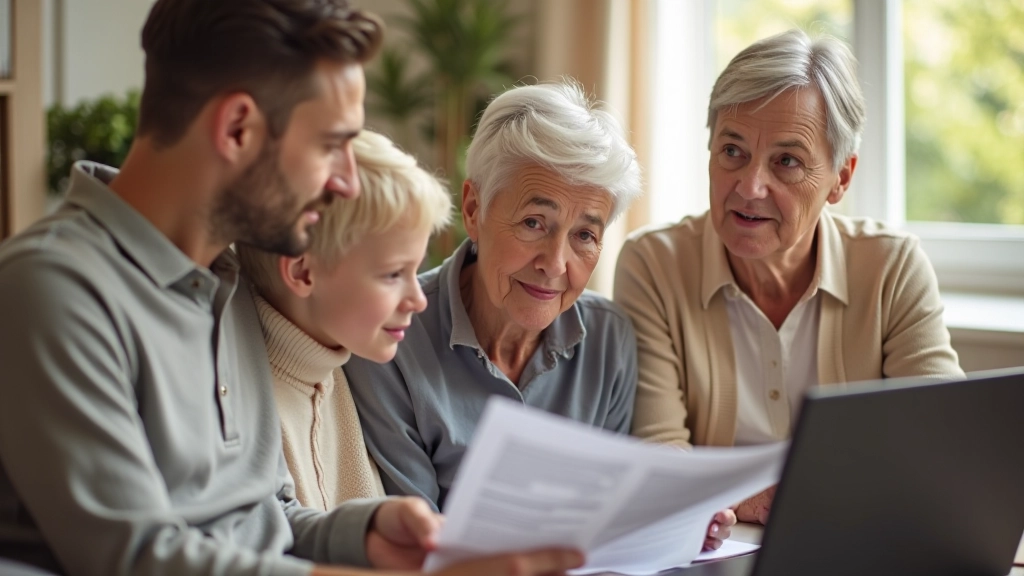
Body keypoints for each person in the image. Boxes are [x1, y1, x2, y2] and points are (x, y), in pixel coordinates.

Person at [0, 1, 583, 575]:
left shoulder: (225, 287)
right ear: (238, 128)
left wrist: (367, 533)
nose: (344, 180)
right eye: (332, 144)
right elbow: (134, 559)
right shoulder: (53, 290)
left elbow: (261, 520)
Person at [344, 81, 735, 552]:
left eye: (584, 235)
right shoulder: (391, 338)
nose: (556, 263)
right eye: (534, 223)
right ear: (474, 209)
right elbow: (416, 547)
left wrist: (676, 522)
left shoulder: (609, 340)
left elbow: (608, 521)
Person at [614, 29, 964, 525]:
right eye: (732, 150)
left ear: (841, 177)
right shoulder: (653, 263)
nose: (750, 186)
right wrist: (752, 504)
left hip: (856, 542)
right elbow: (658, 452)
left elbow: (943, 450)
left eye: (787, 161)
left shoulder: (892, 267)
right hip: (713, 551)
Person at [235, 129, 452, 511]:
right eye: (392, 274)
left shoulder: (340, 365)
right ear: (303, 273)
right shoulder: (243, 407)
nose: (418, 300)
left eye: (417, 270)